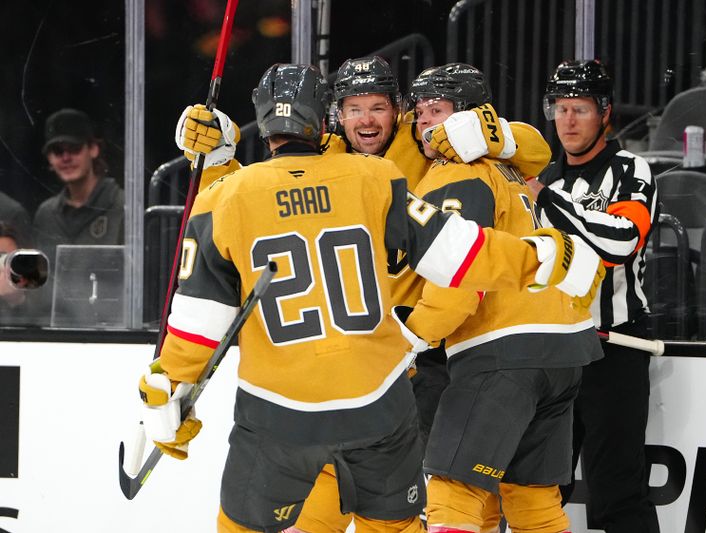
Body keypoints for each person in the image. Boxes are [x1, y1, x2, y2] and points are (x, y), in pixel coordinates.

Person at [139, 62, 601, 533]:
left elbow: (535, 150)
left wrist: (495, 133)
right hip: (380, 371)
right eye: (354, 108)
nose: (366, 120)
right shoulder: (362, 172)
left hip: (395, 361)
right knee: (385, 503)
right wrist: (541, 259)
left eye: (379, 107)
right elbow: (459, 253)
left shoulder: (429, 142)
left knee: (436, 497)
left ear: (399, 110)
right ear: (330, 118)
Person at [398, 62, 604, 533]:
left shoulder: (458, 174)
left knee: (454, 490)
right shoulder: (508, 170)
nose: (427, 122)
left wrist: (408, 340)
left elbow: (461, 275)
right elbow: (531, 146)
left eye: (440, 111)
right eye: (422, 112)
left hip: (502, 350)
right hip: (562, 347)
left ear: (469, 116)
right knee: (533, 500)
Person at [527, 59, 660, 533]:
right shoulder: (545, 176)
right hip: (555, 351)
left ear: (605, 112)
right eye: (560, 109)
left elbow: (619, 243)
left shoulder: (631, 170)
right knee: (538, 487)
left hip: (614, 348)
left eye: (579, 109)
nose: (567, 121)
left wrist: (546, 200)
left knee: (617, 491)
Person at [33, 108, 125, 262]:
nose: (66, 158)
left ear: (93, 149)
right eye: (57, 151)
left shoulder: (123, 205)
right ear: (49, 158)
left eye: (74, 148)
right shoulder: (45, 214)